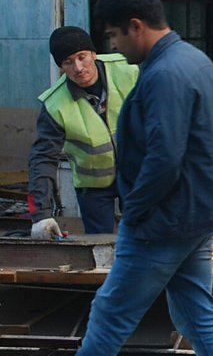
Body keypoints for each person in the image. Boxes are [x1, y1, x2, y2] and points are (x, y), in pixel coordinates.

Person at [45, 0, 213, 356]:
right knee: (195, 313)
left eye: (115, 36)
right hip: (193, 214)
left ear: (135, 27)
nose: (112, 47)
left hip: (164, 219)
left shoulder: (165, 74)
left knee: (110, 314)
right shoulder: (192, 60)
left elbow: (165, 156)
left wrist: (134, 211)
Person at [28, 27, 140, 238]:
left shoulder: (128, 69)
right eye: (68, 62)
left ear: (93, 54)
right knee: (100, 246)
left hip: (137, 173)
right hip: (93, 187)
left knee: (143, 236)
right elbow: (42, 158)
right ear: (61, 67)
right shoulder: (55, 104)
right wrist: (40, 214)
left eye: (82, 57)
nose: (78, 68)